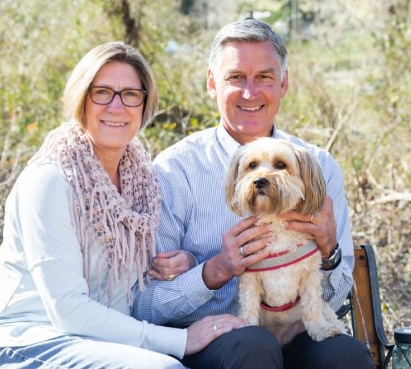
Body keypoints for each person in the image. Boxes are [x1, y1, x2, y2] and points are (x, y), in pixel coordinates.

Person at [0, 42, 246, 369]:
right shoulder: (50, 181)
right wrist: (181, 340)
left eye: (130, 94)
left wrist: (184, 262)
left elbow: (139, 291)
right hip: (28, 342)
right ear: (81, 100)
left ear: (144, 105)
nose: (117, 106)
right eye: (102, 92)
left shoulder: (142, 185)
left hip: (105, 345)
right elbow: (68, 309)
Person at [131, 19, 375, 368]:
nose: (250, 92)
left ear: (283, 83)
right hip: (214, 341)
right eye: (235, 78)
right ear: (212, 84)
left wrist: (328, 250)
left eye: (264, 77)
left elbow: (335, 299)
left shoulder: (317, 166)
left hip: (296, 330)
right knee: (254, 346)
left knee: (346, 357)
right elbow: (144, 303)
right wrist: (213, 271)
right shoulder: (175, 170)